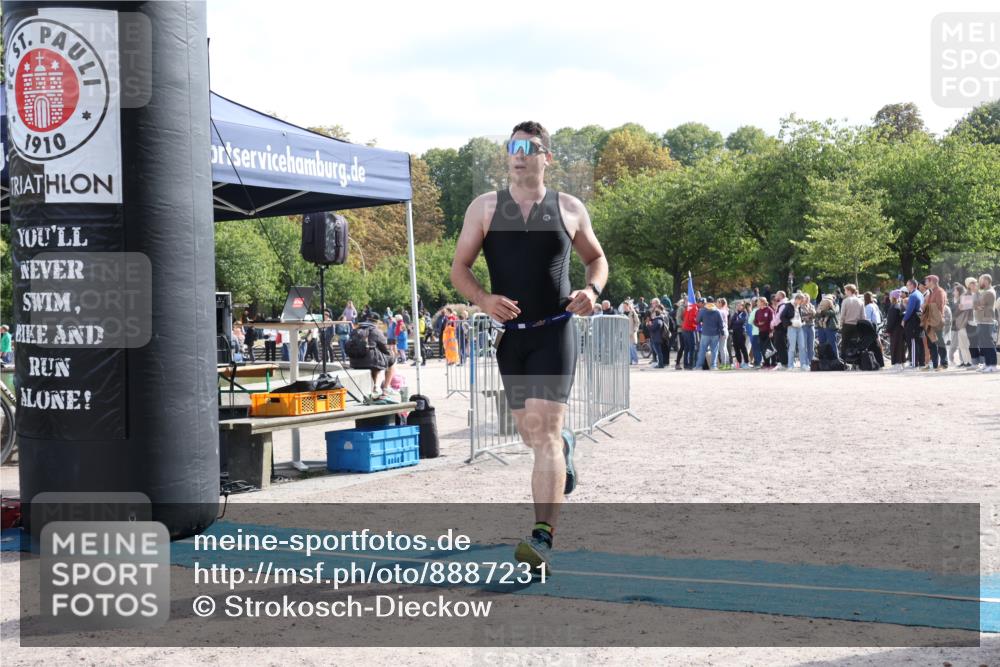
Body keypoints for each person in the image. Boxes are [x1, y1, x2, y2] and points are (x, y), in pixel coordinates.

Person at [450, 120, 608, 572]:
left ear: (546, 157)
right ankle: (565, 445)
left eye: (529, 146)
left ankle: (542, 537)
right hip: (512, 340)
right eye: (513, 146)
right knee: (532, 436)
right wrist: (482, 299)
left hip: (555, 331)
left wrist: (591, 291)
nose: (519, 153)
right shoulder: (483, 208)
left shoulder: (568, 207)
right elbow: (460, 267)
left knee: (543, 438)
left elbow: (596, 259)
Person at [346, 314, 397, 400]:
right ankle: (386, 388)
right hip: (370, 362)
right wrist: (392, 353)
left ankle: (375, 387)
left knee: (374, 360)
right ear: (376, 322)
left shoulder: (355, 330)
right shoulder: (375, 331)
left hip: (354, 361)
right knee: (392, 361)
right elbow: (385, 348)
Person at [921, 275, 948, 371]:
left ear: (932, 281)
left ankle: (944, 364)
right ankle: (935, 364)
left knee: (940, 342)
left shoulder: (940, 291)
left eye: (927, 281)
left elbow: (939, 307)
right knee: (930, 343)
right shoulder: (930, 292)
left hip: (936, 320)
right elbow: (926, 306)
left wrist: (926, 305)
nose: (925, 283)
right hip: (929, 321)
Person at [973, 273, 997, 373]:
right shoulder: (985, 292)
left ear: (986, 281)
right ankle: (988, 364)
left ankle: (992, 365)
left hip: (986, 322)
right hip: (982, 321)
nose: (979, 282)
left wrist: (976, 303)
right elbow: (975, 306)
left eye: (981, 280)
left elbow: (978, 304)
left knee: (988, 343)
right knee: (984, 344)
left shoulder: (989, 292)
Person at [901, 279, 925, 369]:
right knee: (919, 341)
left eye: (907, 285)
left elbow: (910, 310)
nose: (907, 287)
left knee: (913, 341)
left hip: (913, 320)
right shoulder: (920, 294)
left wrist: (904, 319)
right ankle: (921, 362)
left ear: (912, 285)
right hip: (919, 319)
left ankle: (914, 363)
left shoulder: (913, 295)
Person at [695, 298, 724, 370]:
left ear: (707, 302)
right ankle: (713, 366)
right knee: (714, 350)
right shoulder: (717, 311)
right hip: (715, 334)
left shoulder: (702, 310)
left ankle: (699, 366)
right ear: (713, 302)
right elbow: (721, 323)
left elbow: (697, 320)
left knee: (702, 350)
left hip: (705, 333)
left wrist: (702, 321)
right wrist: (722, 332)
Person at [951, 283, 973, 368]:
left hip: (963, 324)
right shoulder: (959, 299)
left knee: (965, 344)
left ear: (959, 291)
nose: (953, 293)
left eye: (955, 291)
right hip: (959, 324)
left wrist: (959, 309)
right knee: (962, 345)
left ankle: (969, 361)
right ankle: (965, 361)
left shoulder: (964, 298)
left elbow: (966, 310)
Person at [885, 289, 907, 370]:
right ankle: (902, 362)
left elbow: (891, 320)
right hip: (901, 329)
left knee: (895, 346)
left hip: (895, 330)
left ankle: (896, 364)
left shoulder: (893, 307)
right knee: (901, 346)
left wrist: (888, 330)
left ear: (893, 297)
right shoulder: (901, 305)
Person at [786, 293, 809, 371]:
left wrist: (802, 321)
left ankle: (803, 364)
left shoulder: (799, 306)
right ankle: (790, 365)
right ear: (798, 299)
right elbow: (783, 317)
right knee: (792, 347)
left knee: (802, 346)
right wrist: (791, 323)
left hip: (799, 328)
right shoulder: (788, 305)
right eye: (802, 301)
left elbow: (799, 316)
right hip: (791, 327)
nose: (802, 303)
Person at [815, 296, 840, 362]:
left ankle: (836, 359)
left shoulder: (836, 306)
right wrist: (819, 311)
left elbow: (833, 312)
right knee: (822, 344)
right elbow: (816, 315)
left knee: (832, 343)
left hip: (830, 328)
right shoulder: (820, 308)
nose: (823, 304)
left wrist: (822, 311)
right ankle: (823, 359)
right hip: (821, 327)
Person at [754, 296, 775, 368]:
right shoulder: (757, 311)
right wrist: (758, 324)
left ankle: (773, 363)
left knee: (770, 348)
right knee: (763, 348)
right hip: (761, 332)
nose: (757, 303)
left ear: (763, 302)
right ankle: (766, 363)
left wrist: (771, 331)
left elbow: (772, 321)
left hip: (768, 332)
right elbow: (755, 321)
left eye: (758, 302)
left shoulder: (769, 310)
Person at [730, 302, 749, 369]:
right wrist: (735, 321)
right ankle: (739, 362)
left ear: (743, 306)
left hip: (741, 332)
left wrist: (735, 322)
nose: (738, 307)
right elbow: (731, 322)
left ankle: (746, 362)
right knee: (736, 348)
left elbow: (741, 322)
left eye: (739, 305)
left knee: (743, 348)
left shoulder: (744, 313)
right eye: (737, 305)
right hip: (735, 333)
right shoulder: (736, 313)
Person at [623, 300, 640, 365]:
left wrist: (635, 329)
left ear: (628, 306)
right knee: (627, 348)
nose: (624, 307)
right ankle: (630, 360)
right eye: (623, 306)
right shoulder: (623, 313)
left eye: (625, 306)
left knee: (632, 347)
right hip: (625, 332)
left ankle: (635, 360)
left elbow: (637, 322)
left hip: (632, 332)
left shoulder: (633, 312)